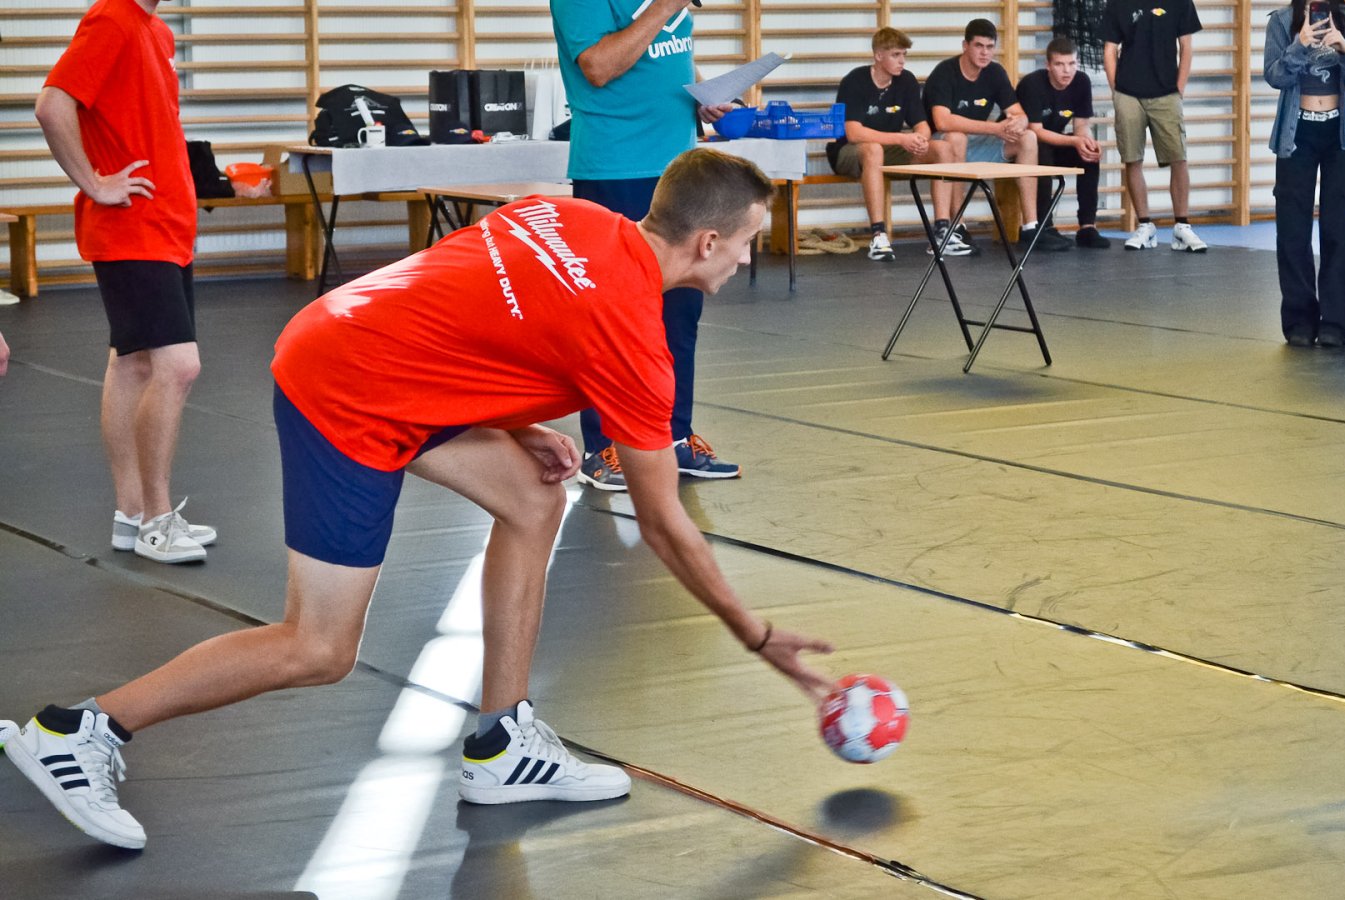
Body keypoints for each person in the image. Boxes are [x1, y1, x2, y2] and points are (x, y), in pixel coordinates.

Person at [0, 149, 837, 851]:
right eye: (746, 242)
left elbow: (466, 303)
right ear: (708, 240)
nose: (746, 259)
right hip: (345, 391)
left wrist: (513, 422)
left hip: (359, 341)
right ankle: (79, 732)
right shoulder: (635, 341)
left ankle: (502, 744)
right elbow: (662, 522)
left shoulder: (566, 216)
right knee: (317, 647)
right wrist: (757, 636)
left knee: (533, 498)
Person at [34, 0, 216, 563]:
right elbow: (52, 105)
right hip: (134, 230)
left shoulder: (155, 30)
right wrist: (93, 183)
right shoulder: (112, 18)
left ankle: (132, 515)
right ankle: (157, 523)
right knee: (178, 366)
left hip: (166, 227)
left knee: (133, 363)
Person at [552, 0, 742, 492]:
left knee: (681, 309)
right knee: (610, 312)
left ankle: (674, 437)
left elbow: (670, 56)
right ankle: (602, 446)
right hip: (617, 167)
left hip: (678, 166)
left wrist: (703, 98)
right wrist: (665, 5)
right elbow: (598, 66)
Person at [1264, 0, 1345, 348]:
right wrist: (1299, 45)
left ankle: (1336, 322)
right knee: (1292, 229)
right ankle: (1299, 319)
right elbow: (1274, 76)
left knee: (1339, 227)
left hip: (1340, 134)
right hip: (1296, 132)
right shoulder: (1282, 21)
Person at [923, 19, 1070, 252]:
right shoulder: (945, 72)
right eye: (979, 46)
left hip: (978, 144)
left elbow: (1018, 113)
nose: (985, 53)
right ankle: (957, 225)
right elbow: (943, 121)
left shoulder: (995, 72)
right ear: (965, 46)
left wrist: (1019, 122)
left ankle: (1030, 226)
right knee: (956, 137)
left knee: (1028, 138)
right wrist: (995, 128)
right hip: (942, 145)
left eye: (990, 47)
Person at [827, 27, 960, 262]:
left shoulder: (906, 81)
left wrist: (920, 139)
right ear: (879, 56)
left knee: (943, 148)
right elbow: (854, 133)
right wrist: (901, 138)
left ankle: (942, 231)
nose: (902, 61)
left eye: (904, 55)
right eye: (896, 55)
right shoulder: (855, 81)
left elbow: (922, 124)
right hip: (850, 152)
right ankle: (878, 235)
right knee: (873, 149)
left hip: (889, 150)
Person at [1100, 0, 1209, 252]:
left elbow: (1186, 46)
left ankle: (1182, 226)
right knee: (1132, 159)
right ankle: (1145, 225)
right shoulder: (1117, 3)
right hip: (1128, 92)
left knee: (1178, 157)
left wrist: (1179, 90)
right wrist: (1117, 91)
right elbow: (1109, 49)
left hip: (1167, 92)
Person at [1015, 37, 1112, 249]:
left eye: (1071, 64)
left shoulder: (1081, 82)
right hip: (1023, 148)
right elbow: (1036, 131)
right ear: (1048, 65)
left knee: (1088, 154)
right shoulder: (1032, 84)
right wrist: (1075, 140)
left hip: (1054, 142)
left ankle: (1087, 227)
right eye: (1059, 64)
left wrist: (1085, 141)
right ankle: (1043, 226)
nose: (1067, 71)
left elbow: (1081, 125)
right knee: (1042, 150)